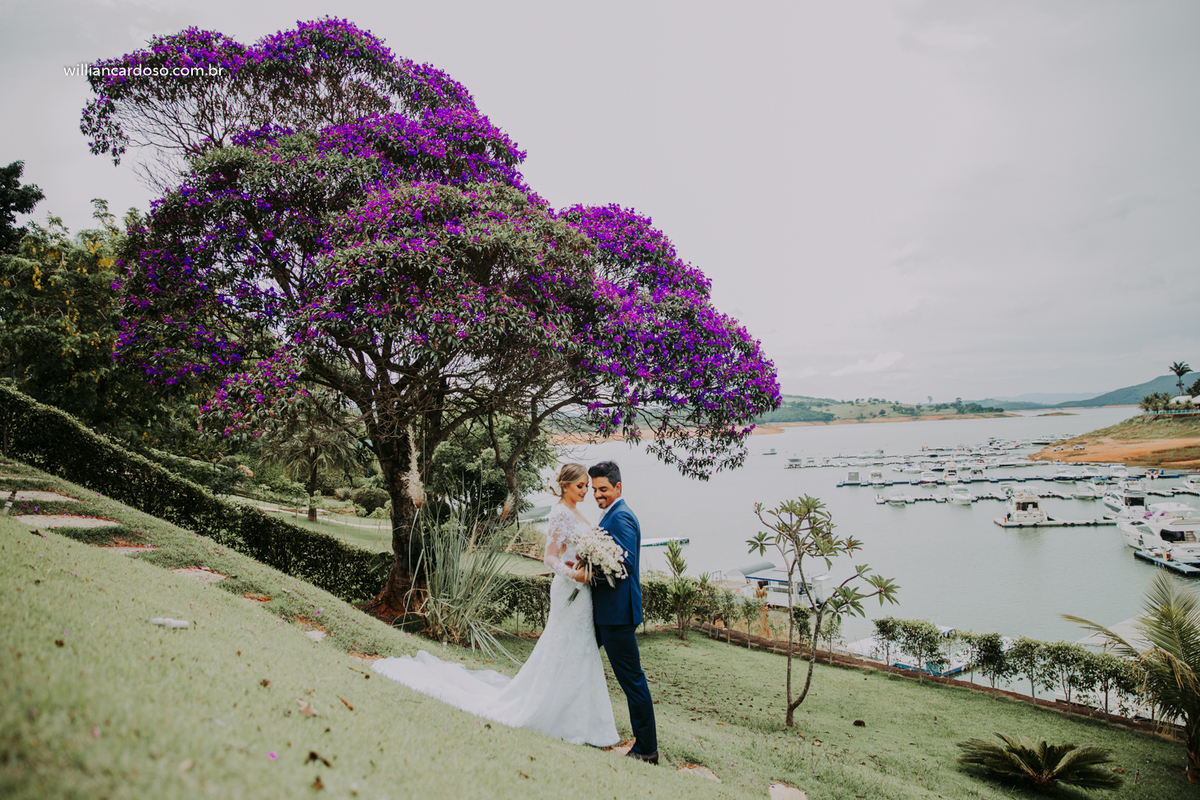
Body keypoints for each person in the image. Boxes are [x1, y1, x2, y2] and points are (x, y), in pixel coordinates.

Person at [370, 463, 619, 747]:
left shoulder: (576, 511)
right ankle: (555, 715)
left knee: (582, 648)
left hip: (583, 593)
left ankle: (586, 721)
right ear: (565, 486)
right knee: (565, 647)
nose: (586, 491)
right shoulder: (560, 513)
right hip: (568, 589)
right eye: (581, 486)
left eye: (587, 486)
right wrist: (573, 573)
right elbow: (550, 557)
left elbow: (573, 550)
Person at [588, 460, 659, 764]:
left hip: (617, 615)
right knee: (578, 661)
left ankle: (646, 748)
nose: (597, 495)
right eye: (594, 489)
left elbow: (623, 566)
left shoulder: (622, 517)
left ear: (618, 487)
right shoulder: (612, 514)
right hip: (606, 613)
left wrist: (588, 573)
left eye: (603, 489)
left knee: (632, 680)